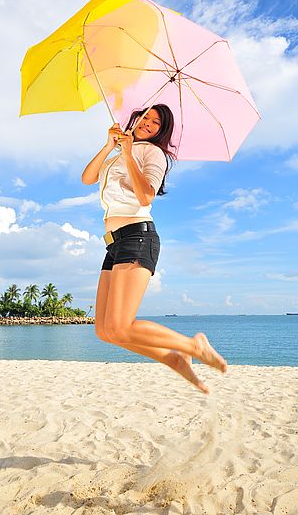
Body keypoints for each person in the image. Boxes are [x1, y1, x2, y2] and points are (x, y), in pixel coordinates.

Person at [81, 104, 227, 394]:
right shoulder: (116, 155)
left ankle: (192, 345)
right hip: (114, 244)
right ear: (135, 118)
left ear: (161, 130)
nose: (148, 122)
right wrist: (110, 145)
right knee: (105, 331)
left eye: (155, 122)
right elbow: (87, 178)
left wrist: (128, 154)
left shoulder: (153, 154)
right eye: (145, 116)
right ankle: (173, 358)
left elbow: (146, 195)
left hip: (138, 237)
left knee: (122, 326)